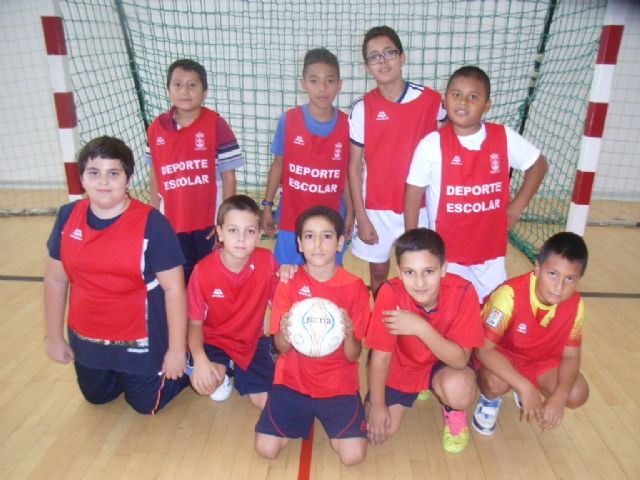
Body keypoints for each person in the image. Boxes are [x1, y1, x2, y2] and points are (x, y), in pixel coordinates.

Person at [43, 136, 188, 415]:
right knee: (97, 397)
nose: (103, 182)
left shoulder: (153, 224)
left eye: (113, 173)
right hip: (88, 335)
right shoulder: (67, 217)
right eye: (94, 173)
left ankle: (196, 357)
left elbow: (174, 289)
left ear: (128, 179)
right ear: (82, 179)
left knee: (145, 404)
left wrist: (177, 350)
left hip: (141, 337)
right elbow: (55, 279)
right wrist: (53, 337)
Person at [405, 65, 548, 302]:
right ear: (445, 100)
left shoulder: (503, 137)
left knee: (491, 308)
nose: (463, 102)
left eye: (473, 97)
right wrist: (412, 242)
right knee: (449, 308)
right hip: (447, 252)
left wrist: (517, 206)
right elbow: (413, 192)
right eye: (456, 94)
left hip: (490, 251)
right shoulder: (431, 144)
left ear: (486, 105)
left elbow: (538, 164)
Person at [255, 206, 371, 466]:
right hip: (292, 382)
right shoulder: (288, 282)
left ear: (340, 243)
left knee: (353, 457)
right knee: (266, 449)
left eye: (327, 236)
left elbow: (353, 355)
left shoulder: (355, 289)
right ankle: (299, 415)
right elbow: (280, 347)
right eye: (309, 236)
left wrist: (349, 335)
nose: (317, 244)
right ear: (299, 243)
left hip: (337, 385)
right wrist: (285, 331)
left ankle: (328, 419)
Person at [365, 228, 483, 454]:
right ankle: (415, 389)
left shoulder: (464, 292)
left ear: (443, 268)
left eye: (428, 271)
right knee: (378, 431)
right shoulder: (390, 292)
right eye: (410, 272)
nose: (420, 282)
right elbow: (380, 357)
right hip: (403, 366)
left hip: (444, 363)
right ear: (399, 272)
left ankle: (453, 410)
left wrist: (420, 327)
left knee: (460, 391)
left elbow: (460, 360)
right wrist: (378, 405)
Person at [349, 25, 444, 296]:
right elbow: (354, 166)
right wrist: (361, 217)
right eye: (374, 56)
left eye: (389, 53)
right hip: (376, 208)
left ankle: (416, 318)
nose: (382, 61)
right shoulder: (362, 108)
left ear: (402, 57)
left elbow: (453, 135)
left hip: (421, 206)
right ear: (367, 67)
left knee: (420, 272)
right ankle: (382, 319)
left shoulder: (432, 100)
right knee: (379, 272)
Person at [472, 232, 589, 435]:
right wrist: (525, 387)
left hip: (540, 361)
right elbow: (483, 351)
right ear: (537, 268)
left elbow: (571, 356)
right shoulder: (509, 295)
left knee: (576, 393)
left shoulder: (576, 304)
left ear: (579, 279)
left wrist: (560, 396)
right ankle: (489, 400)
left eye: (569, 279)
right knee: (495, 382)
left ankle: (523, 386)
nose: (559, 287)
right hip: (503, 356)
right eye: (552, 274)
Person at [146, 58, 244, 281]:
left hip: (209, 223)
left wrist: (226, 219)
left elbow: (228, 175)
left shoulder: (216, 124)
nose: (185, 91)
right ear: (168, 90)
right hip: (173, 222)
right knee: (179, 278)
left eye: (192, 85)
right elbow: (155, 172)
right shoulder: (155, 129)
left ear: (205, 91)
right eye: (178, 84)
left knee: (210, 277)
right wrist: (154, 212)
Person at [261, 48, 351, 266]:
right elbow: (278, 165)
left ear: (339, 84)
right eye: (314, 81)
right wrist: (267, 206)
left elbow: (348, 175)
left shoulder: (348, 124)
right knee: (285, 277)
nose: (322, 88)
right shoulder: (289, 120)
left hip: (331, 221)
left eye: (330, 81)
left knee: (327, 278)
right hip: (291, 220)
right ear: (303, 84)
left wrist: (351, 214)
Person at [187, 195, 278, 409]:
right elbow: (195, 323)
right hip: (216, 340)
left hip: (251, 341)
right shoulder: (202, 271)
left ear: (259, 235)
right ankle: (225, 367)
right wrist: (199, 359)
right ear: (219, 232)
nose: (241, 239)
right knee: (206, 384)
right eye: (233, 230)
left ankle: (239, 366)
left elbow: (282, 304)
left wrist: (289, 273)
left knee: (264, 402)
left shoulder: (267, 262)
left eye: (250, 231)